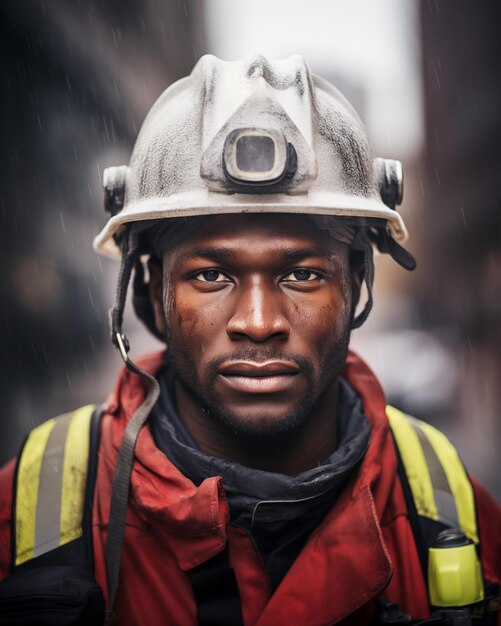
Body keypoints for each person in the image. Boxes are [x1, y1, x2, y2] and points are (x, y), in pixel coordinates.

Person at [0, 55, 499, 626]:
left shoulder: (453, 506)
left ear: (358, 282)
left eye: (303, 274)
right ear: (148, 296)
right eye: (211, 275)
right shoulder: (23, 511)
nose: (259, 322)